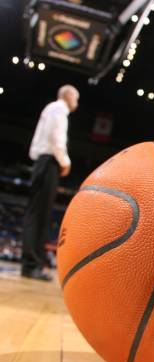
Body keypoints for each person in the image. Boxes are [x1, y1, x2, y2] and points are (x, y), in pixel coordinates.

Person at [22, 85, 79, 281]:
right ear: (69, 96)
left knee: (35, 213)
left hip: (42, 161)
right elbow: (57, 139)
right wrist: (65, 161)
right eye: (76, 99)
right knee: (40, 215)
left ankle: (30, 264)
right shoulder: (59, 109)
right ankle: (32, 265)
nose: (77, 103)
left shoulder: (50, 108)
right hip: (49, 162)